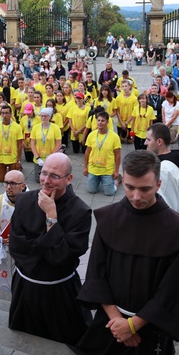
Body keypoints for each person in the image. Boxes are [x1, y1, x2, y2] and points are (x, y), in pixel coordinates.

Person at [72, 150, 179, 355]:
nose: (136, 197)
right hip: (110, 324)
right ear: (122, 181)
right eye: (130, 187)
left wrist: (132, 326)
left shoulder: (174, 229)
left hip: (151, 327)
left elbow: (171, 291)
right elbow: (97, 274)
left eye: (145, 189)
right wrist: (119, 322)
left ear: (158, 185)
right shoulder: (108, 218)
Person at [9, 152, 92, 344]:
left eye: (54, 176)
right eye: (43, 173)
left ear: (69, 179)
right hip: (26, 287)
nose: (46, 180)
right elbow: (16, 247)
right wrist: (46, 248)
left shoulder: (80, 212)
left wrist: (52, 217)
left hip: (59, 292)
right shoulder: (23, 200)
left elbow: (61, 258)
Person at [0, 170, 27, 291]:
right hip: (5, 253)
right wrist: (0, 237)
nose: (8, 187)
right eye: (6, 183)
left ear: (23, 186)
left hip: (23, 252)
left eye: (13, 184)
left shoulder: (32, 202)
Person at [83, 111, 121, 196]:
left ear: (107, 122)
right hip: (93, 169)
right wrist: (85, 167)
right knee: (91, 191)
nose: (100, 123)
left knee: (110, 193)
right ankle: (99, 181)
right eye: (98, 120)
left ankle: (117, 180)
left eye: (103, 121)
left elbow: (117, 155)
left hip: (107, 170)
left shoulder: (114, 137)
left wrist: (116, 171)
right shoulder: (91, 135)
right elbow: (87, 152)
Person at [145, 123, 179, 212]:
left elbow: (167, 204)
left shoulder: (162, 169)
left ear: (159, 141)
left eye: (148, 140)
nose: (145, 143)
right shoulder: (176, 156)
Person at [0, 104, 23, 182]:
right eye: (3, 113)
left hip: (13, 158)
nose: (4, 115)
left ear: (11, 114)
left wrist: (18, 160)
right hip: (0, 158)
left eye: (6, 113)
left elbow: (20, 145)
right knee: (1, 180)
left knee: (13, 180)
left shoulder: (17, 127)